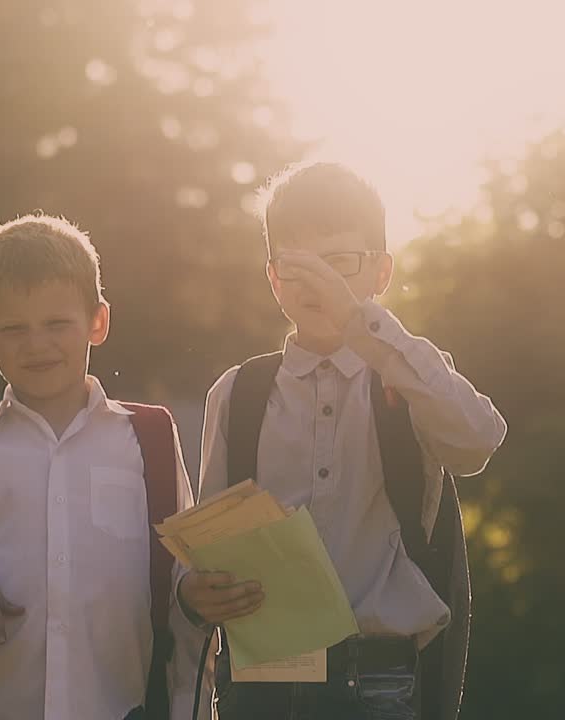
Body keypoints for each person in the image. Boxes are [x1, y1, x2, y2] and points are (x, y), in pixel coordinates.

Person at [192, 162, 507, 720]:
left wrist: (367, 326)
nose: (320, 284)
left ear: (381, 272)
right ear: (273, 277)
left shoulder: (409, 375)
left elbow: (477, 442)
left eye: (340, 264)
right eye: (299, 266)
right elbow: (210, 543)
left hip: (379, 681)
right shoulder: (237, 393)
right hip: (260, 681)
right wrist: (196, 590)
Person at [0, 214, 213, 720]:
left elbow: (181, 577)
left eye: (56, 324)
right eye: (14, 329)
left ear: (98, 321)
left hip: (121, 705)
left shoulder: (150, 439)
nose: (37, 344)